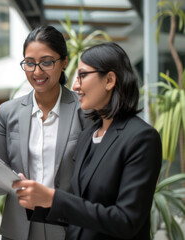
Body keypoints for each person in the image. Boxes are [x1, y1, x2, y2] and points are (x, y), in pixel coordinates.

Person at [13, 42, 162, 240]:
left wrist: (53, 198)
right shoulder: (88, 135)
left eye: (82, 75)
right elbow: (81, 209)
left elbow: (126, 221)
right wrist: (40, 203)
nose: (75, 85)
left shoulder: (141, 138)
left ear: (109, 80)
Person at [0, 25, 90, 240]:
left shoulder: (84, 110)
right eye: (29, 63)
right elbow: (2, 183)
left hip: (69, 227)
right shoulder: (8, 112)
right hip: (19, 228)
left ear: (64, 62)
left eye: (46, 62)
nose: (37, 71)